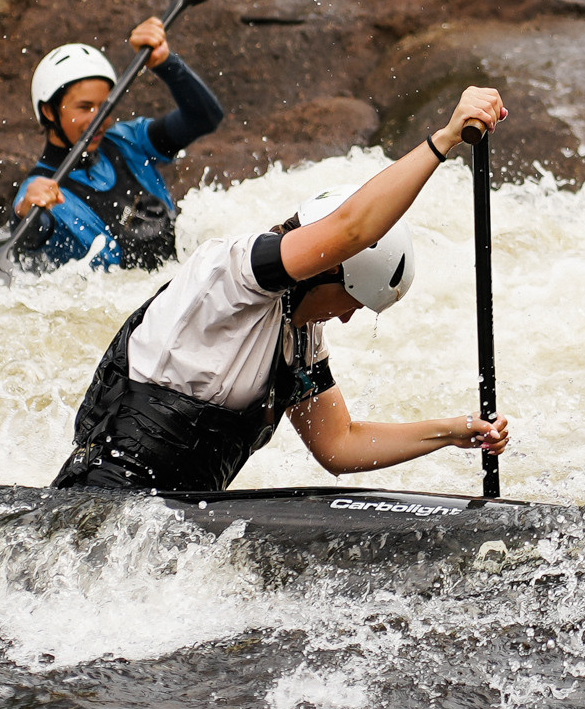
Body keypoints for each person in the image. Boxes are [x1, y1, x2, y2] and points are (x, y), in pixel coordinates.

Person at [52, 86, 515, 494]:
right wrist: (445, 139)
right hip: (104, 501)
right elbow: (352, 228)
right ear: (329, 267)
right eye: (354, 302)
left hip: (174, 523)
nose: (349, 317)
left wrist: (455, 432)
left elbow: (340, 444)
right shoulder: (238, 273)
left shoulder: (300, 337)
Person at [13, 17, 225, 271]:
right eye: (85, 107)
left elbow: (204, 118)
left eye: (104, 107)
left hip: (185, 274)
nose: (99, 120)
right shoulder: (39, 194)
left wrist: (167, 64)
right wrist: (24, 214)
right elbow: (31, 239)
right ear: (49, 111)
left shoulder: (128, 140)